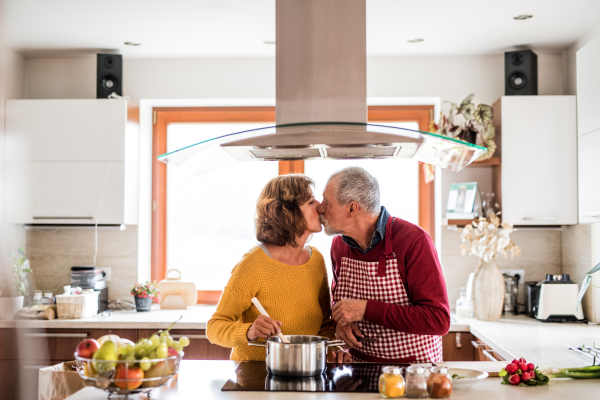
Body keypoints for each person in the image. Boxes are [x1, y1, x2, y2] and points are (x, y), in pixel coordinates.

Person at [317, 166, 450, 363]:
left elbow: (438, 320)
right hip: (360, 370)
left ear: (352, 208)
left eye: (327, 202)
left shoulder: (414, 241)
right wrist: (340, 323)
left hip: (413, 373)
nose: (320, 208)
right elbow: (339, 303)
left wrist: (366, 309)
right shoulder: (339, 246)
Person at [206, 174, 335, 361]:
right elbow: (215, 327)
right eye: (310, 201)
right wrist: (249, 330)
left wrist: (332, 353)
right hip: (255, 376)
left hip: (305, 372)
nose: (320, 206)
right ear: (287, 212)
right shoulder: (253, 264)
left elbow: (324, 324)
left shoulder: (316, 260)